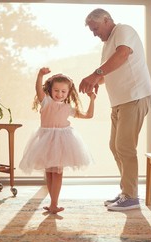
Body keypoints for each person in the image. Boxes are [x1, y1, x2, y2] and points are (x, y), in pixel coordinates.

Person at [79, 8, 151, 211]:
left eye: (95, 29)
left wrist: (95, 74)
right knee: (115, 146)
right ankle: (126, 192)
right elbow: (110, 71)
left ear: (106, 20)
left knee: (125, 147)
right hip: (120, 102)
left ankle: (131, 196)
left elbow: (122, 55)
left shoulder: (123, 30)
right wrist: (97, 80)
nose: (95, 34)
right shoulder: (107, 45)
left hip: (135, 96)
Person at [19, 67, 96, 214]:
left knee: (58, 173)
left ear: (68, 93)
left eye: (63, 91)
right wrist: (40, 75)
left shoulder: (68, 107)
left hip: (62, 142)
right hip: (46, 141)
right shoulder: (46, 102)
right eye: (56, 90)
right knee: (49, 172)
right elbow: (38, 89)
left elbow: (88, 115)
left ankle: (54, 203)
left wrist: (92, 100)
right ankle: (52, 203)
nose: (59, 94)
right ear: (50, 90)